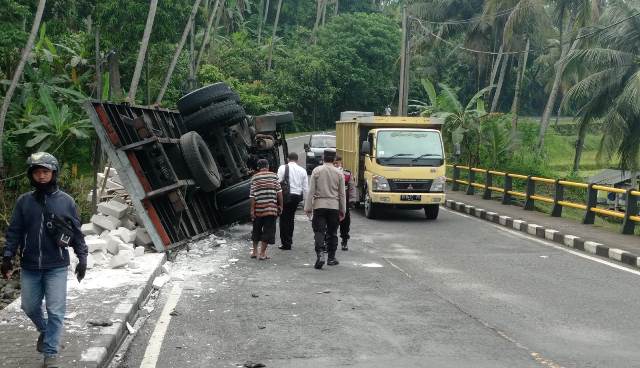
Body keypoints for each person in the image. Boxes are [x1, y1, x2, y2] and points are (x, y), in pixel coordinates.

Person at [1, 152, 88, 368]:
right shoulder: (24, 202)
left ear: (53, 173)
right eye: (37, 172)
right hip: (30, 265)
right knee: (29, 306)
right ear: (31, 175)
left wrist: (82, 258)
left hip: (57, 266)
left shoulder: (66, 201)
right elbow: (14, 231)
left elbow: (76, 232)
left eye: (45, 172)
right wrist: (7, 257)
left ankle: (51, 355)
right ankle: (45, 331)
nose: (41, 176)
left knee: (56, 310)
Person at [304, 149, 346, 269]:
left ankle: (320, 254)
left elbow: (311, 191)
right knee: (332, 233)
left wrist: (308, 207)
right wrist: (343, 210)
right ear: (334, 159)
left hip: (319, 205)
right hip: (334, 206)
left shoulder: (317, 171)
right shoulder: (339, 173)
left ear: (323, 157)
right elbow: (342, 194)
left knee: (319, 231)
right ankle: (331, 258)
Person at [249, 159, 283, 260]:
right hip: (271, 209)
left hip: (258, 209)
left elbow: (252, 196)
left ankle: (255, 252)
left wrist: (252, 210)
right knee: (268, 231)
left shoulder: (254, 178)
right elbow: (279, 192)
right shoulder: (274, 176)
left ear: (258, 168)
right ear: (268, 166)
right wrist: (281, 205)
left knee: (256, 230)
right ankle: (262, 253)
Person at [277, 152, 309, 250]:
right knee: (290, 218)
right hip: (296, 197)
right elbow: (306, 188)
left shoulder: (282, 168)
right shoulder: (302, 170)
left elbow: (277, 182)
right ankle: (289, 240)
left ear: (287, 159)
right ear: (297, 160)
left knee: (283, 219)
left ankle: (285, 243)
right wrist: (306, 204)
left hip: (286, 196)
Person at [333, 156, 357, 251]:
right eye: (334, 163)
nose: (335, 165)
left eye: (337, 163)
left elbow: (352, 188)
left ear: (341, 164)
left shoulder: (347, 174)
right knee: (331, 223)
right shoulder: (328, 173)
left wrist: (352, 200)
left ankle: (344, 241)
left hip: (344, 203)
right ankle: (328, 242)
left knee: (345, 223)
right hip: (332, 202)